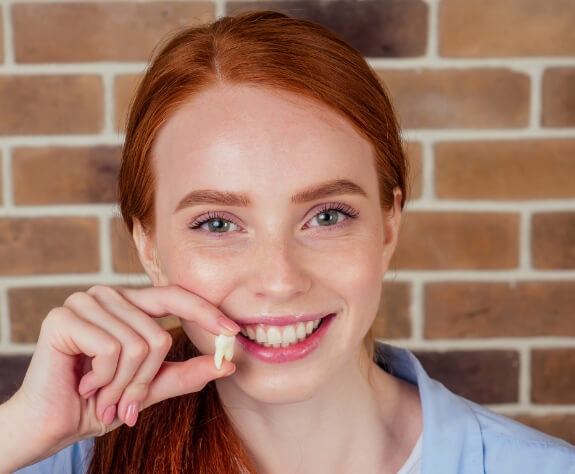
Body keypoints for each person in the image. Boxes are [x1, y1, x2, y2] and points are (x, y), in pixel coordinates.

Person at [1, 10, 574, 474]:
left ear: (389, 225)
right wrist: (21, 431)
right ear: (148, 246)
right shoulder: (57, 457)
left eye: (326, 216)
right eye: (218, 224)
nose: (279, 279)